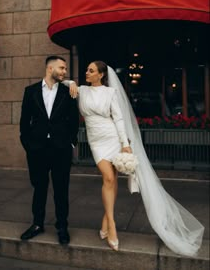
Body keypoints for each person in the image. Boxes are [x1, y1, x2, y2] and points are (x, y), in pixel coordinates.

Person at [66, 60, 204, 256]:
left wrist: (125, 144)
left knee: (111, 180)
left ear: (101, 75)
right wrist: (71, 82)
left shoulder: (110, 93)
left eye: (91, 70)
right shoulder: (81, 90)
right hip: (95, 141)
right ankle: (111, 224)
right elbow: (61, 82)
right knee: (108, 178)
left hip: (112, 136)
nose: (86, 73)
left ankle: (107, 222)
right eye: (86, 70)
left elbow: (119, 119)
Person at [19, 55, 79, 245]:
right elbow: (24, 122)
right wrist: (28, 145)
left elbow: (74, 121)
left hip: (61, 149)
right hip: (37, 149)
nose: (64, 72)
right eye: (61, 68)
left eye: (65, 69)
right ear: (49, 68)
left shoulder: (68, 91)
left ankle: (62, 227)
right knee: (39, 188)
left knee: (61, 190)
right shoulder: (30, 91)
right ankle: (37, 224)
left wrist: (70, 142)